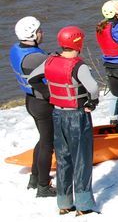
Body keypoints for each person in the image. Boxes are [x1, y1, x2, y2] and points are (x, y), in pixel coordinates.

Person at [28, 26, 99, 215]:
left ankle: (64, 202)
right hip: (77, 116)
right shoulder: (79, 66)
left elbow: (33, 79)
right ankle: (83, 205)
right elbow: (93, 88)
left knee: (63, 159)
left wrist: (50, 94)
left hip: (57, 115)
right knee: (82, 159)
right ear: (78, 43)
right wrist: (92, 103)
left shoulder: (50, 61)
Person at [10, 16, 56, 197]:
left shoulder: (16, 49)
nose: (41, 33)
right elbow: (51, 69)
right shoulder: (35, 57)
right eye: (39, 31)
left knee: (42, 140)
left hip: (30, 101)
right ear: (32, 35)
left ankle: (35, 178)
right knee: (47, 144)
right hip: (42, 104)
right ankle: (43, 187)